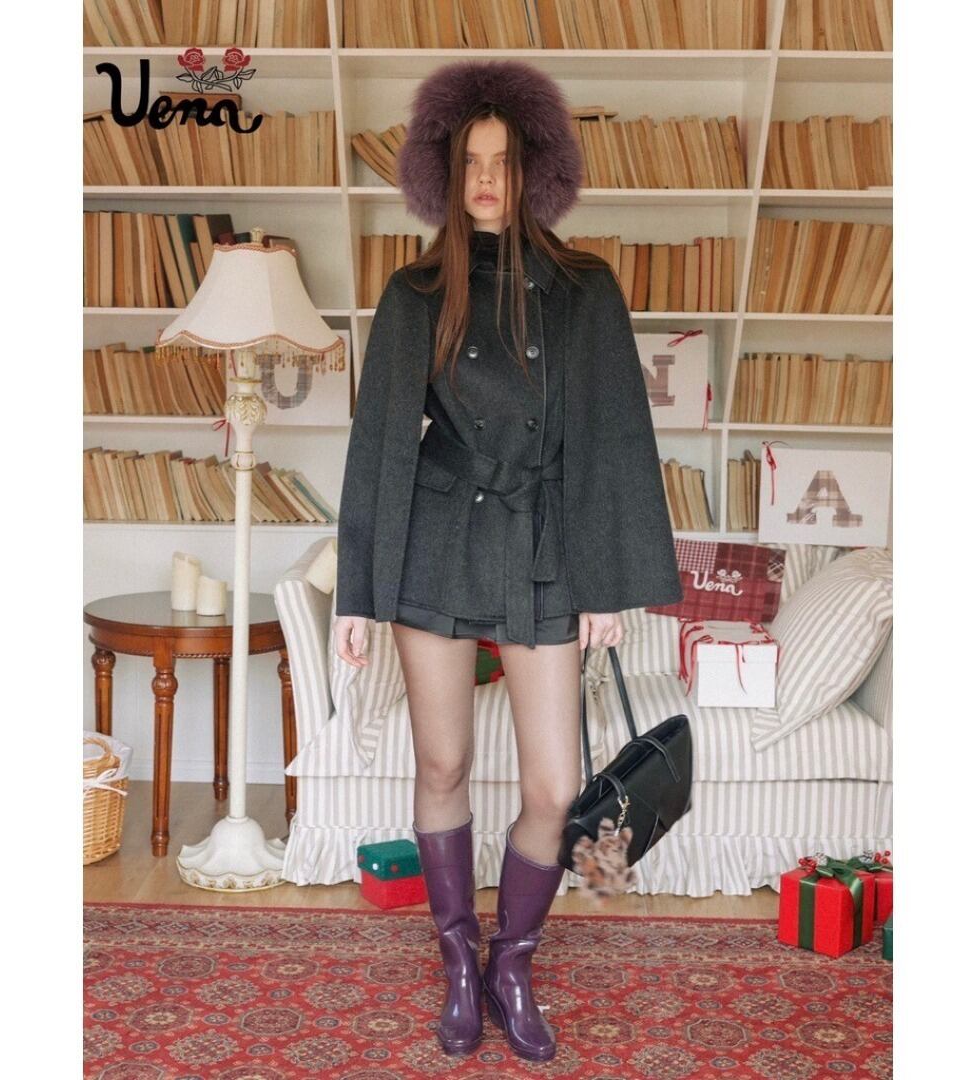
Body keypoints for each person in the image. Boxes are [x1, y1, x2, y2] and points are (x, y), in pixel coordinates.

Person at [332, 60, 682, 1063]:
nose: (486, 179)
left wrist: (607, 584)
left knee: (553, 785)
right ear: (445, 175)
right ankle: (456, 960)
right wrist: (358, 593)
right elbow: (380, 444)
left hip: (545, 545)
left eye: (504, 161)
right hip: (436, 542)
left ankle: (511, 963)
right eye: (470, 162)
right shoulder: (414, 292)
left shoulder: (584, 288)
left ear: (536, 172)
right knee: (442, 762)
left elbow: (614, 437)